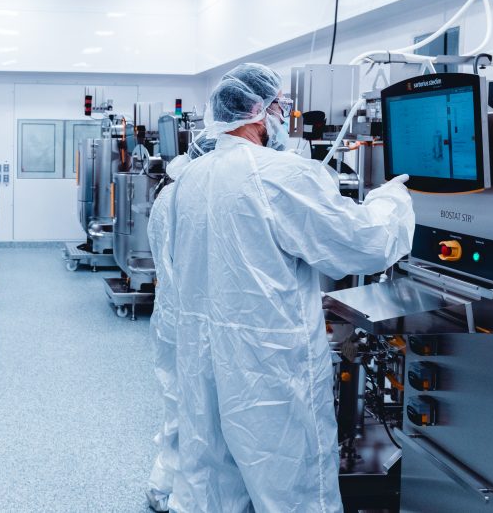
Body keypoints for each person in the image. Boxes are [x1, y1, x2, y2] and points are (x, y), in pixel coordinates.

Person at [166, 63, 415, 513]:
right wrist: (391, 200)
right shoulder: (280, 173)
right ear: (260, 113)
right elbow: (363, 244)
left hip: (202, 353)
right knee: (292, 488)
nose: (285, 116)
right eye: (281, 105)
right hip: (268, 362)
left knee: (212, 480)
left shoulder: (190, 177)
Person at [145, 133, 218, 513]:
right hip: (199, 323)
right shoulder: (200, 199)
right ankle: (188, 500)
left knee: (177, 404)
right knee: (203, 417)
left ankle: (162, 484)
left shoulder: (167, 195)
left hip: (171, 319)